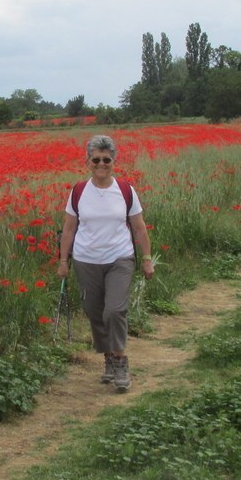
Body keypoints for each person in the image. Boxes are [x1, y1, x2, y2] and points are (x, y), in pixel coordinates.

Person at [58, 135, 155, 392]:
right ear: (88, 161)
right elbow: (69, 229)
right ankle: (108, 358)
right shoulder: (79, 191)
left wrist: (146, 259)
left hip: (120, 258)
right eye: (96, 159)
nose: (101, 164)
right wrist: (63, 261)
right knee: (94, 311)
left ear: (114, 161)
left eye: (106, 160)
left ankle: (121, 360)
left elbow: (139, 227)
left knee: (114, 310)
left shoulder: (125, 190)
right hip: (86, 260)